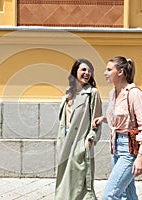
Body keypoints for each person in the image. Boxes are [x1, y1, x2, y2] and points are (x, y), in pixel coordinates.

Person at [92, 56, 142, 200]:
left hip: (130, 149)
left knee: (110, 195)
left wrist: (141, 156)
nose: (105, 73)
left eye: (109, 69)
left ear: (120, 72)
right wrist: (104, 119)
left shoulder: (134, 94)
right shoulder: (113, 93)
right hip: (116, 146)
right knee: (128, 194)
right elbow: (122, 118)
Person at [55, 58, 102, 200]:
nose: (87, 73)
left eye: (90, 71)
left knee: (79, 182)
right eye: (83, 69)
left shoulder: (92, 93)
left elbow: (97, 120)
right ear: (75, 72)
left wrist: (89, 140)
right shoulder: (68, 93)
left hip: (80, 141)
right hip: (65, 140)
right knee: (64, 180)